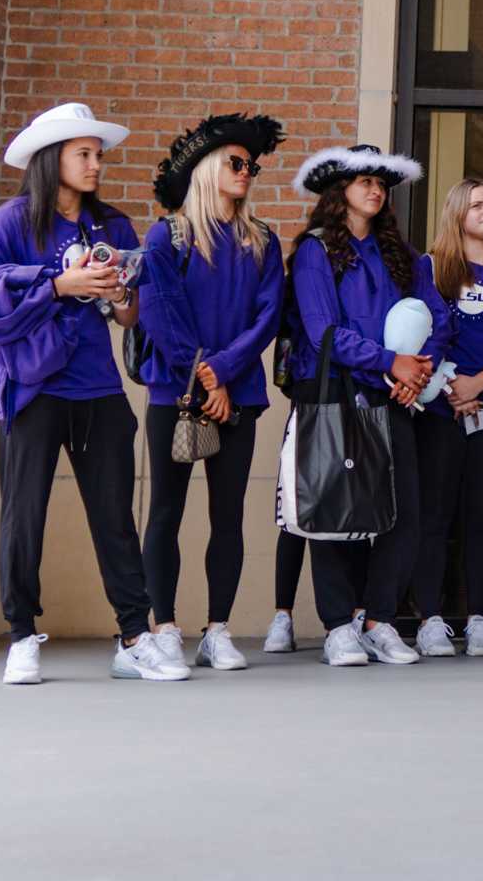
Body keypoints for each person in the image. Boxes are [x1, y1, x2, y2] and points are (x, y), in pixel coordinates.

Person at [0, 103, 185, 685]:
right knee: (23, 515)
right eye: (83, 154)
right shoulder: (13, 222)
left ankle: (134, 636)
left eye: (98, 155)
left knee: (115, 515)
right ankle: (20, 637)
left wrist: (113, 293)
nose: (95, 166)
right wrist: (61, 283)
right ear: (51, 159)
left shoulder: (112, 225)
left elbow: (130, 316)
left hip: (98, 387)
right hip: (33, 388)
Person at [136, 113, 287, 674]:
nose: (247, 172)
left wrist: (222, 372)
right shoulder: (167, 235)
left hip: (238, 395)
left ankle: (218, 630)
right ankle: (166, 627)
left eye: (252, 166)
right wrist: (203, 375)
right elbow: (159, 311)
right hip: (173, 392)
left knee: (229, 516)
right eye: (236, 163)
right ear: (206, 168)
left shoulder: (263, 241)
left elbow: (268, 317)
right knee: (166, 513)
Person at [285, 143, 445, 668]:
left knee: (405, 512)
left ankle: (378, 621)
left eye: (382, 183)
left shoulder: (401, 253)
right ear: (340, 191)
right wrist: (389, 362)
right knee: (334, 509)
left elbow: (436, 317)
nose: (376, 190)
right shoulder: (314, 250)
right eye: (364, 182)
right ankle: (338, 627)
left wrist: (416, 369)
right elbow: (322, 331)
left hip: (396, 397)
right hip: (335, 394)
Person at [411, 179, 483, 658]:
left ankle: (478, 616)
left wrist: (478, 386)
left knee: (480, 519)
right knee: (434, 517)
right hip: (438, 410)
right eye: (476, 204)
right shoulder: (431, 266)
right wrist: (451, 386)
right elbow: (419, 327)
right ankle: (431, 619)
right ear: (457, 212)